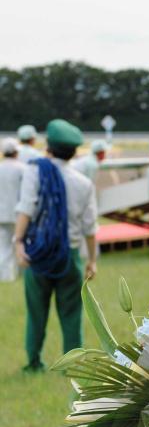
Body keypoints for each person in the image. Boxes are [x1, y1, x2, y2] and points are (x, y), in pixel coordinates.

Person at [13, 119, 98, 373]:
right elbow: (90, 228)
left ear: (48, 146)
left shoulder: (35, 171)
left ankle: (33, 363)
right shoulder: (84, 183)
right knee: (72, 314)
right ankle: (71, 368)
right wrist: (91, 261)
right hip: (70, 257)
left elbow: (26, 209)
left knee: (36, 313)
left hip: (38, 254)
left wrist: (18, 242)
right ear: (74, 151)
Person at [0, 138, 26, 282]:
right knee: (21, 245)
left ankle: (6, 277)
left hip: (1, 214)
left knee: (3, 247)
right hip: (19, 214)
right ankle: (22, 276)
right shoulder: (22, 168)